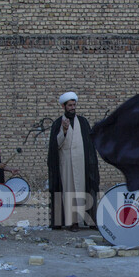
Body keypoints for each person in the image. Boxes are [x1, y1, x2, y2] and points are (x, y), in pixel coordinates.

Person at [47, 92, 100, 231]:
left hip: (82, 164)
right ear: (63, 106)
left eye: (74, 105)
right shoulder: (58, 123)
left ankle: (90, 220)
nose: (72, 107)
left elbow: (89, 144)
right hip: (66, 165)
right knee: (69, 192)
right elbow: (55, 145)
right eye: (69, 105)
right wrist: (64, 130)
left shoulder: (82, 122)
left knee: (86, 190)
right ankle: (73, 223)